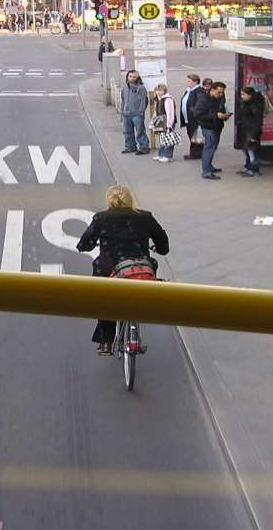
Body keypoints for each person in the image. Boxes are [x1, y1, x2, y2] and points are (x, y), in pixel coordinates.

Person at [76, 185, 170, 356]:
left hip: (110, 268)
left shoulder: (101, 218)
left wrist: (86, 246)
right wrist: (160, 249)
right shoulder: (145, 217)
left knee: (106, 299)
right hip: (139, 267)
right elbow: (163, 243)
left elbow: (84, 243)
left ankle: (105, 342)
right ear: (130, 199)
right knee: (150, 270)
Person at [193, 81, 231, 180]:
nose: (221, 94)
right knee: (208, 148)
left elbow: (221, 108)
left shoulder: (219, 99)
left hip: (217, 126)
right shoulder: (203, 100)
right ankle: (206, 171)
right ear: (212, 90)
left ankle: (209, 166)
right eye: (219, 92)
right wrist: (215, 115)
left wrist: (224, 116)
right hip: (208, 127)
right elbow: (197, 114)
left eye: (222, 92)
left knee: (213, 147)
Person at [235, 86, 265, 177]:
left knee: (252, 152)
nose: (242, 96)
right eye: (241, 94)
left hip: (252, 132)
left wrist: (254, 134)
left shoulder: (255, 105)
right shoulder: (245, 103)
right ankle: (248, 167)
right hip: (245, 130)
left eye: (243, 95)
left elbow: (258, 121)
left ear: (250, 95)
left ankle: (254, 170)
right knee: (246, 150)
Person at [120, 70, 151, 155]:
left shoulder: (141, 88)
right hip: (126, 114)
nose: (132, 78)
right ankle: (130, 147)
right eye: (130, 76)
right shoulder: (124, 88)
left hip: (137, 114)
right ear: (127, 77)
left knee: (140, 131)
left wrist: (140, 112)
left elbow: (143, 101)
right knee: (127, 132)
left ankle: (144, 147)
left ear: (137, 78)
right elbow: (123, 101)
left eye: (134, 77)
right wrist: (122, 112)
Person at [179, 74, 203, 160]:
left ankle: (195, 154)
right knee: (191, 135)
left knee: (195, 136)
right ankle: (195, 153)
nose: (187, 82)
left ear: (195, 82)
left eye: (189, 81)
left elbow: (199, 105)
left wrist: (194, 112)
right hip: (187, 118)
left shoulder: (199, 92)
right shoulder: (188, 91)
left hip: (194, 119)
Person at [152, 83, 178, 162]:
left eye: (160, 90)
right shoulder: (160, 99)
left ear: (164, 91)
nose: (158, 92)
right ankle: (161, 154)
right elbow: (156, 112)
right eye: (157, 90)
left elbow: (170, 113)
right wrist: (154, 120)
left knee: (168, 138)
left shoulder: (168, 99)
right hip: (161, 121)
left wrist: (169, 125)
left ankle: (167, 156)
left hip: (167, 122)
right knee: (162, 138)